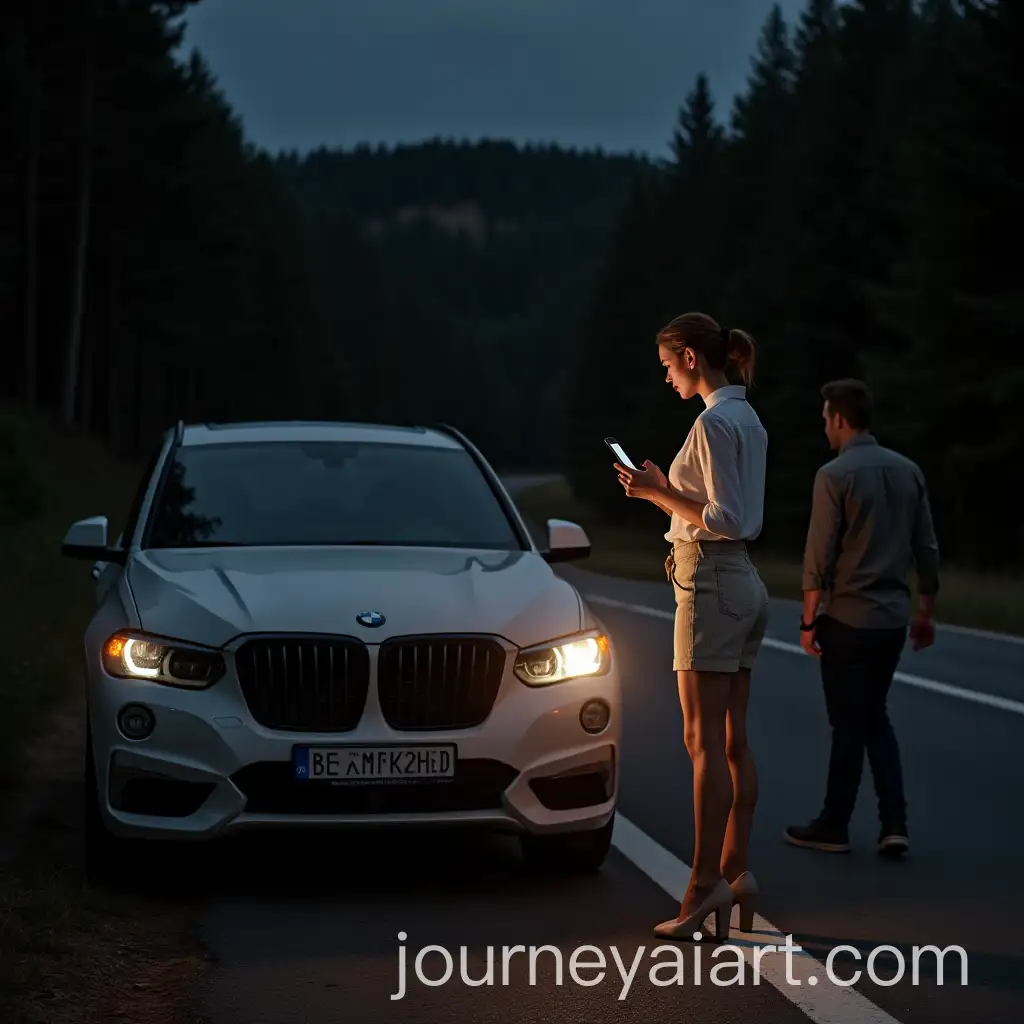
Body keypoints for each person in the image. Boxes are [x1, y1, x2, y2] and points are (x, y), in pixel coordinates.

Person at [613, 311, 770, 941]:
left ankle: (703, 888)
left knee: (703, 744)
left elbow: (724, 516)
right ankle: (736, 874)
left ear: (688, 356)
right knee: (732, 740)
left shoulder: (712, 421)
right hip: (743, 584)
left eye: (667, 366)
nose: (667, 379)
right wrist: (662, 488)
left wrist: (654, 491)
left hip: (709, 580)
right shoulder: (747, 417)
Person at [785, 378, 939, 858]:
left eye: (826, 419)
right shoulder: (908, 470)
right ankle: (895, 823)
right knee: (874, 717)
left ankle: (834, 824)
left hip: (848, 619)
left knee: (850, 723)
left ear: (840, 420)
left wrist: (809, 622)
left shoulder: (834, 475)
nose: (825, 428)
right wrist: (925, 613)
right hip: (892, 620)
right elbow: (927, 548)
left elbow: (818, 555)